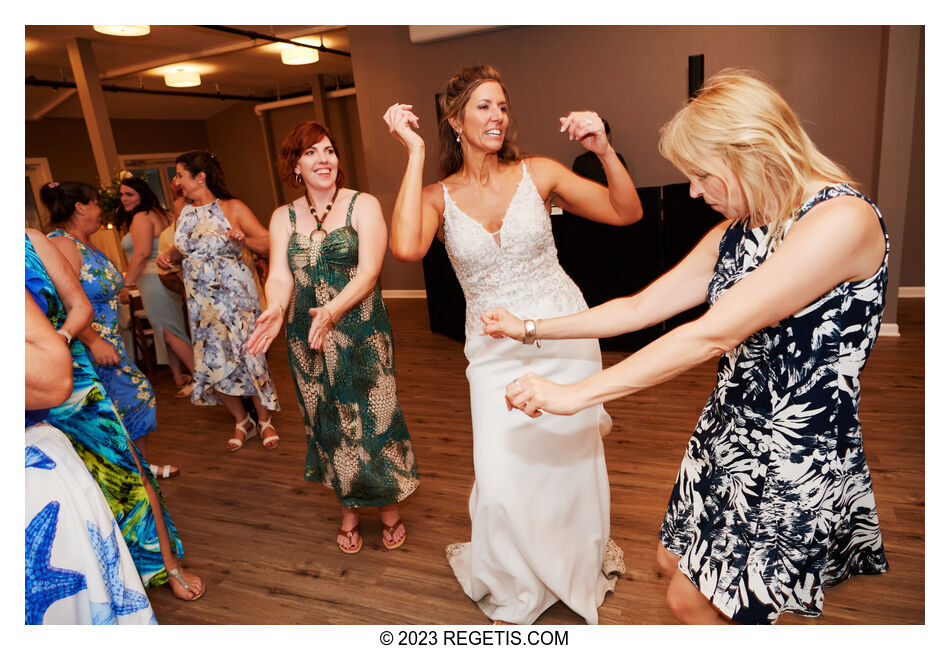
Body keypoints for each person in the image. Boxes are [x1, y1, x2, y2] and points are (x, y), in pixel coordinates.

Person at [485, 70, 889, 624]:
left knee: (690, 601)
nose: (694, 191)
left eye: (702, 174)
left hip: (794, 447)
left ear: (751, 151)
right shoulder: (739, 230)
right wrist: (527, 327)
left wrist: (576, 394)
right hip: (729, 428)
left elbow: (712, 333)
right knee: (669, 564)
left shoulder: (841, 219)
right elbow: (636, 308)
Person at [383, 64, 642, 624]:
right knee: (502, 475)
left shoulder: (539, 173)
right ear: (455, 120)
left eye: (502, 106)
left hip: (563, 334)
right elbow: (405, 247)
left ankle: (572, 563)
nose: (497, 116)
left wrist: (603, 149)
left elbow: (627, 212)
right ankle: (518, 575)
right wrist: (412, 154)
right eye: (483, 106)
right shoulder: (436, 196)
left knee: (566, 460)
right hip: (493, 346)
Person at [246, 121, 419, 554]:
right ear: (296, 165)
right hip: (309, 339)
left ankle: (388, 509)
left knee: (375, 419)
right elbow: (282, 276)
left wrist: (333, 310)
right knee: (328, 424)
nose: (323, 159)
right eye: (311, 153)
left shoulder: (363, 205)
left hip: (361, 331)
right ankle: (348, 509)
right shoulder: (282, 217)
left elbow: (369, 273)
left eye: (329, 150)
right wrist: (274, 308)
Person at [27, 226, 205, 602]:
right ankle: (100, 572)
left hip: (73, 385)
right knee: (62, 489)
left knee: (125, 470)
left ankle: (166, 562)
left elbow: (81, 307)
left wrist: (57, 344)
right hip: (21, 393)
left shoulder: (32, 241)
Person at [25, 286, 157, 625]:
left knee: (125, 463)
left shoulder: (37, 246)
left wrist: (68, 336)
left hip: (62, 376)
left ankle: (160, 562)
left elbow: (54, 378)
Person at [46, 183, 178, 480]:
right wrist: (93, 342)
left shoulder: (88, 243)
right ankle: (130, 474)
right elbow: (65, 303)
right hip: (87, 344)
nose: (99, 210)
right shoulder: (64, 245)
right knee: (124, 402)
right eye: (94, 203)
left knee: (132, 401)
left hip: (110, 340)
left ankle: (138, 469)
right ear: (79, 207)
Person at [156, 151, 280, 451]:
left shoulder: (232, 207)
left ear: (200, 177)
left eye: (180, 175)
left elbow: (267, 241)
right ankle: (242, 420)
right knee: (214, 360)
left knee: (250, 356)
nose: (176, 182)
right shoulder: (180, 208)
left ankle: (264, 420)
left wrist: (243, 240)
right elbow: (185, 245)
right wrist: (170, 256)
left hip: (237, 297)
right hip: (201, 301)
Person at [116, 176, 195, 398]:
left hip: (152, 281)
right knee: (168, 330)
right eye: (122, 194)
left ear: (142, 194)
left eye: (129, 194)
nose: (124, 199)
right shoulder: (164, 213)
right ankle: (180, 378)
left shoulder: (141, 217)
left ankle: (201, 379)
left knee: (170, 332)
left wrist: (125, 285)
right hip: (165, 278)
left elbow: (141, 254)